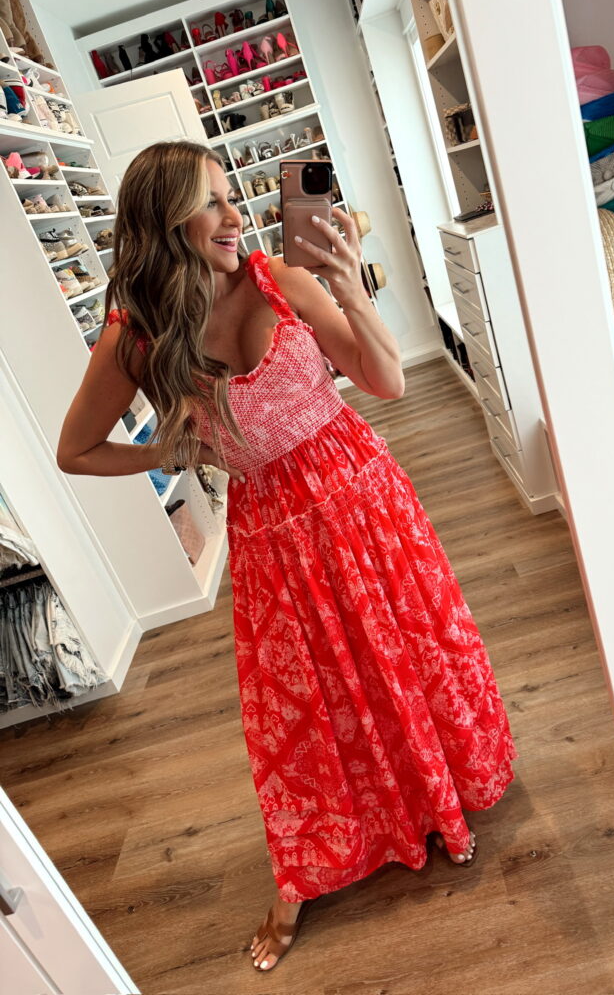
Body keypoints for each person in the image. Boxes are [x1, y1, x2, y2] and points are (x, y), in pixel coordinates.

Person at [57, 140, 517, 973]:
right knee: (305, 707)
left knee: (405, 654)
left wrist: (350, 290)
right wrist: (170, 451)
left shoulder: (281, 280)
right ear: (165, 223)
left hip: (365, 499)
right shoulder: (137, 335)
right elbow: (76, 450)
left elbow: (386, 382)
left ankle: (437, 797)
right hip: (272, 535)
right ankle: (305, 873)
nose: (235, 217)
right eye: (210, 203)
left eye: (231, 197)